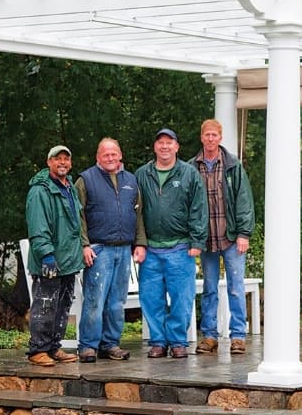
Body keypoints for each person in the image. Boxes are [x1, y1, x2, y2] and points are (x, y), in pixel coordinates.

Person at [135, 128, 208, 358]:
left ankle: (178, 341)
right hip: (151, 249)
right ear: (155, 147)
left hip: (180, 247)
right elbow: (135, 212)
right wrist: (138, 243)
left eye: (169, 142)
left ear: (177, 147)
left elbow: (199, 208)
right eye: (160, 143)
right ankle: (158, 341)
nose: (164, 146)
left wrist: (197, 240)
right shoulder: (141, 174)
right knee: (151, 297)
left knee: (181, 297)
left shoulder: (189, 174)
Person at [75, 138, 147, 363]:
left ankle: (110, 344)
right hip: (99, 249)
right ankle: (88, 346)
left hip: (124, 249)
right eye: (105, 154)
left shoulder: (131, 180)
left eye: (113, 154)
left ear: (120, 155)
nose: (110, 158)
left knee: (117, 301)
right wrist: (84, 245)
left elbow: (138, 215)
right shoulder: (85, 180)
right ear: (98, 157)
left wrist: (140, 243)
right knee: (95, 299)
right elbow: (78, 217)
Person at [188, 119, 255, 355]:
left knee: (236, 287)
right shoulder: (191, 167)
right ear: (201, 137)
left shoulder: (232, 166)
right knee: (209, 288)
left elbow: (244, 201)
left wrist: (244, 233)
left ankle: (238, 336)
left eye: (214, 135)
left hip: (231, 237)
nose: (210, 139)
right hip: (206, 240)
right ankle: (209, 336)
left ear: (220, 138)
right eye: (207, 135)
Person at [25, 145, 83, 366]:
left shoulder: (70, 188)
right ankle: (38, 349)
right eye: (57, 159)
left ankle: (53, 347)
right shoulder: (40, 190)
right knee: (45, 304)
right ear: (48, 162)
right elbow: (38, 226)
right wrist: (47, 254)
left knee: (63, 305)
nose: (62, 163)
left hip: (68, 260)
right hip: (49, 260)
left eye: (66, 159)